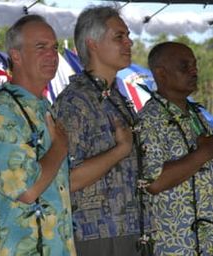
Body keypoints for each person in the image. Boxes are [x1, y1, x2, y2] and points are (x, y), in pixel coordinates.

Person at [0, 14, 76, 255]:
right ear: (16, 55)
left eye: (54, 47)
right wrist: (59, 148)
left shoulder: (42, 107)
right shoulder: (1, 114)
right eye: (41, 47)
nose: (52, 55)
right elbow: (26, 190)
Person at [53, 6, 151, 256]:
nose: (129, 42)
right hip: (96, 236)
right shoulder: (75, 102)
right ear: (92, 44)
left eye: (127, 35)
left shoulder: (116, 97)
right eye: (119, 36)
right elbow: (65, 180)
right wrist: (121, 150)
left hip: (133, 230)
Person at [139, 42, 213, 256]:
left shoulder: (197, 114)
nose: (194, 70)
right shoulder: (148, 119)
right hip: (175, 245)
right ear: (161, 74)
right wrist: (203, 154)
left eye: (194, 65)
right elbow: (153, 182)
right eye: (184, 66)